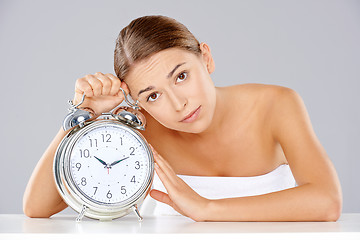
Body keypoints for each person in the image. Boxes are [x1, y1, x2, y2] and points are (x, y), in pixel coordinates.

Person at [23, 15, 342, 222]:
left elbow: (326, 201)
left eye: (181, 76)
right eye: (152, 96)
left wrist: (206, 209)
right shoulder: (142, 130)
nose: (178, 104)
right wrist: (84, 115)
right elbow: (37, 208)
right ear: (138, 102)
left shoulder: (276, 104)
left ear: (206, 57)